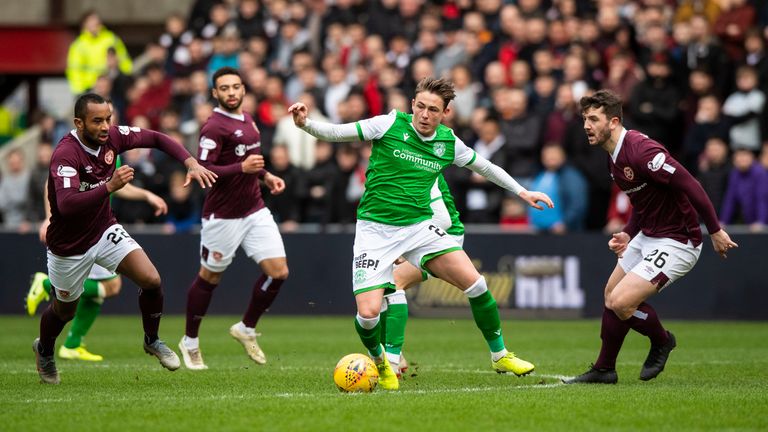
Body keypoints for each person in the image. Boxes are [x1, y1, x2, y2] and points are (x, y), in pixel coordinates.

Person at [289, 77, 554, 391]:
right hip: (375, 232)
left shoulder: (448, 142)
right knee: (369, 314)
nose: (425, 115)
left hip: (418, 228)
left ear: (445, 113)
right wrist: (306, 124)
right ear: (412, 104)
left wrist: (522, 192)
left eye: (434, 110)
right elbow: (336, 133)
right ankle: (382, 362)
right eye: (421, 107)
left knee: (477, 284)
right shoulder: (387, 125)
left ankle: (500, 355)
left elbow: (485, 167)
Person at [33, 92, 216, 384]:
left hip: (104, 230)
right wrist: (109, 186)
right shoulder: (66, 153)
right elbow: (66, 205)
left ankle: (152, 339)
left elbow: (157, 138)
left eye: (108, 119)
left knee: (151, 279)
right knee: (64, 310)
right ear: (78, 123)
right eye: (97, 121)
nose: (106, 126)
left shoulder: (114, 137)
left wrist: (190, 161)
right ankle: (44, 349)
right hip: (69, 245)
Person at [565, 90, 738, 384]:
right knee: (610, 295)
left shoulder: (642, 151)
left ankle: (662, 341)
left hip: (679, 241)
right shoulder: (613, 157)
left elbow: (690, 184)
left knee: (621, 302)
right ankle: (605, 368)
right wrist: (629, 233)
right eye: (584, 119)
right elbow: (643, 201)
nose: (586, 126)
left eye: (593, 119)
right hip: (649, 234)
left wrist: (715, 229)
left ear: (614, 121)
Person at [179, 67, 288, 370]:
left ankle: (247, 328)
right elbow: (204, 169)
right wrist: (243, 168)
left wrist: (266, 176)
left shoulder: (248, 119)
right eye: (224, 88)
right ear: (215, 93)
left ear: (243, 90)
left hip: (253, 209)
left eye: (236, 87)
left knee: (278, 272)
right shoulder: (213, 127)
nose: (231, 92)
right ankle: (189, 341)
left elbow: (250, 162)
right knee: (210, 278)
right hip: (222, 216)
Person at [27, 172, 168, 361]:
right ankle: (46, 284)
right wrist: (49, 216)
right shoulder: (76, 147)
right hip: (79, 233)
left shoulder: (110, 150)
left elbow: (116, 185)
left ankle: (72, 344)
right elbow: (52, 181)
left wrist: (146, 195)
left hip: (100, 227)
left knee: (102, 291)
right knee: (106, 288)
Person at [381, 174, 465, 378]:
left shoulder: (421, 164)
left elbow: (442, 220)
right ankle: (393, 357)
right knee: (379, 286)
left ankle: (391, 361)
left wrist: (401, 248)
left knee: (393, 282)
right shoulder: (392, 170)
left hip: (445, 237)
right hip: (420, 237)